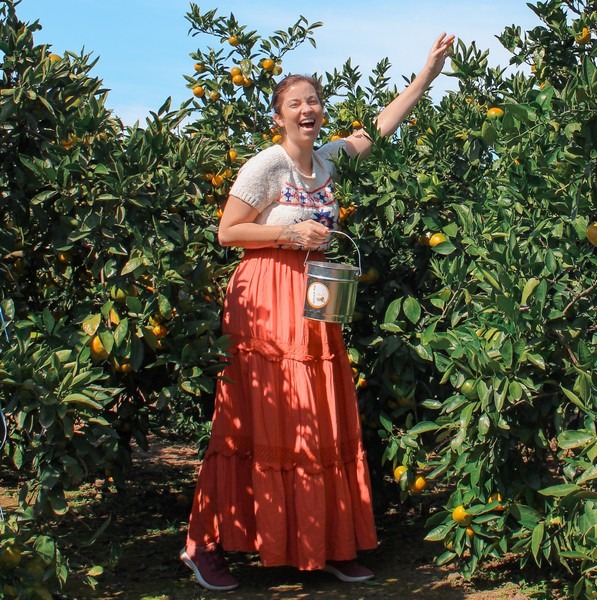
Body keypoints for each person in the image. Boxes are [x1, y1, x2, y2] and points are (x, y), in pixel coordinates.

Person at [179, 32, 456, 592]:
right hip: (266, 298)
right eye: (296, 103)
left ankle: (324, 542)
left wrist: (426, 74)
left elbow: (380, 126)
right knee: (253, 420)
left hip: (315, 299)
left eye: (314, 101)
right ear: (280, 115)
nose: (308, 109)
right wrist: (288, 236)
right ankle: (203, 546)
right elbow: (227, 231)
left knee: (321, 418)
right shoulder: (267, 165)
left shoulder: (328, 160)